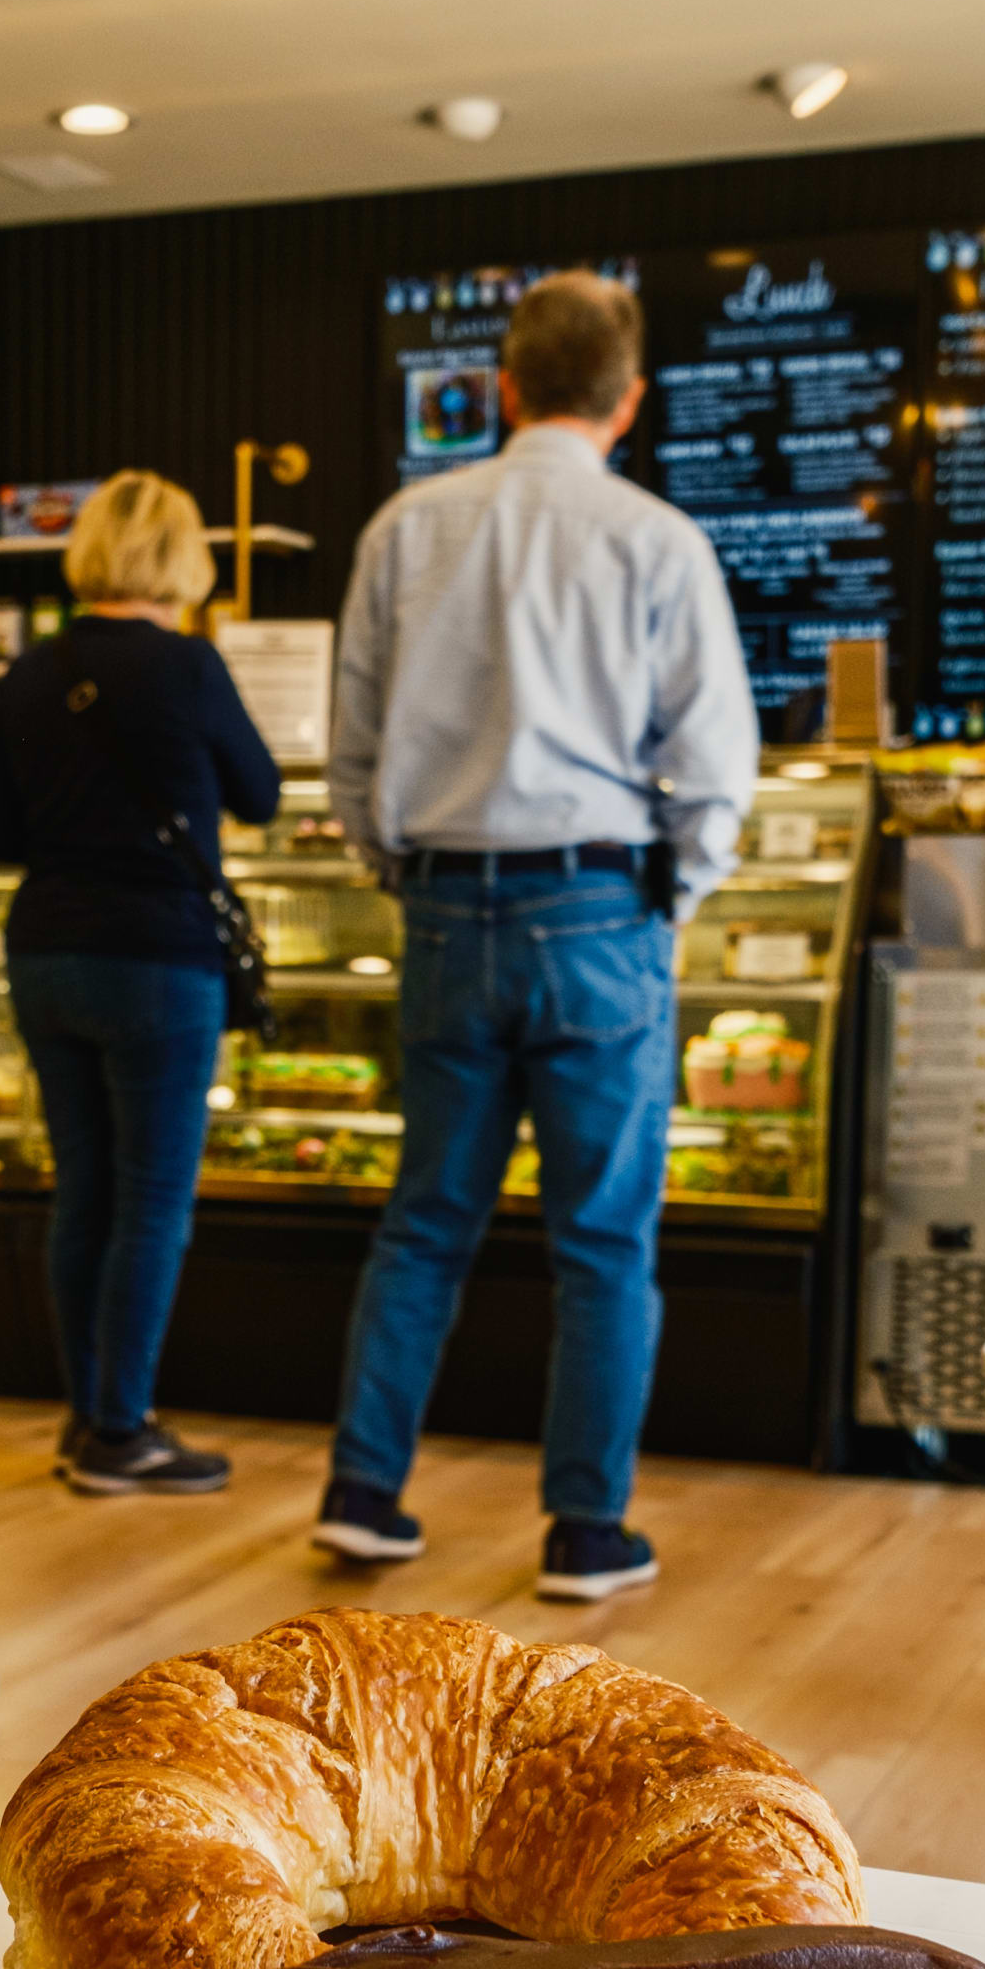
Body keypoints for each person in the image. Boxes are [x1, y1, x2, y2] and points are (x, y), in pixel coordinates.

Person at [315, 269, 755, 1600]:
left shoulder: (406, 526)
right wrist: (665, 893)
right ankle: (583, 1531)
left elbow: (353, 747)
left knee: (425, 1222)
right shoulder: (659, 540)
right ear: (631, 400)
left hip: (447, 905)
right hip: (598, 910)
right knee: (603, 1239)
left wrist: (402, 866)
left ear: (503, 387)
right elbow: (717, 763)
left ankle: (364, 1494)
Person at [0, 469, 282, 1494]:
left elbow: (0, 836)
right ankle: (122, 1432)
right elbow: (264, 794)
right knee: (153, 1203)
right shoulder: (190, 668)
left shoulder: (32, 670)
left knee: (86, 1194)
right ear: (182, 556)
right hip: (157, 956)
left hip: (45, 954)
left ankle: (88, 1417)